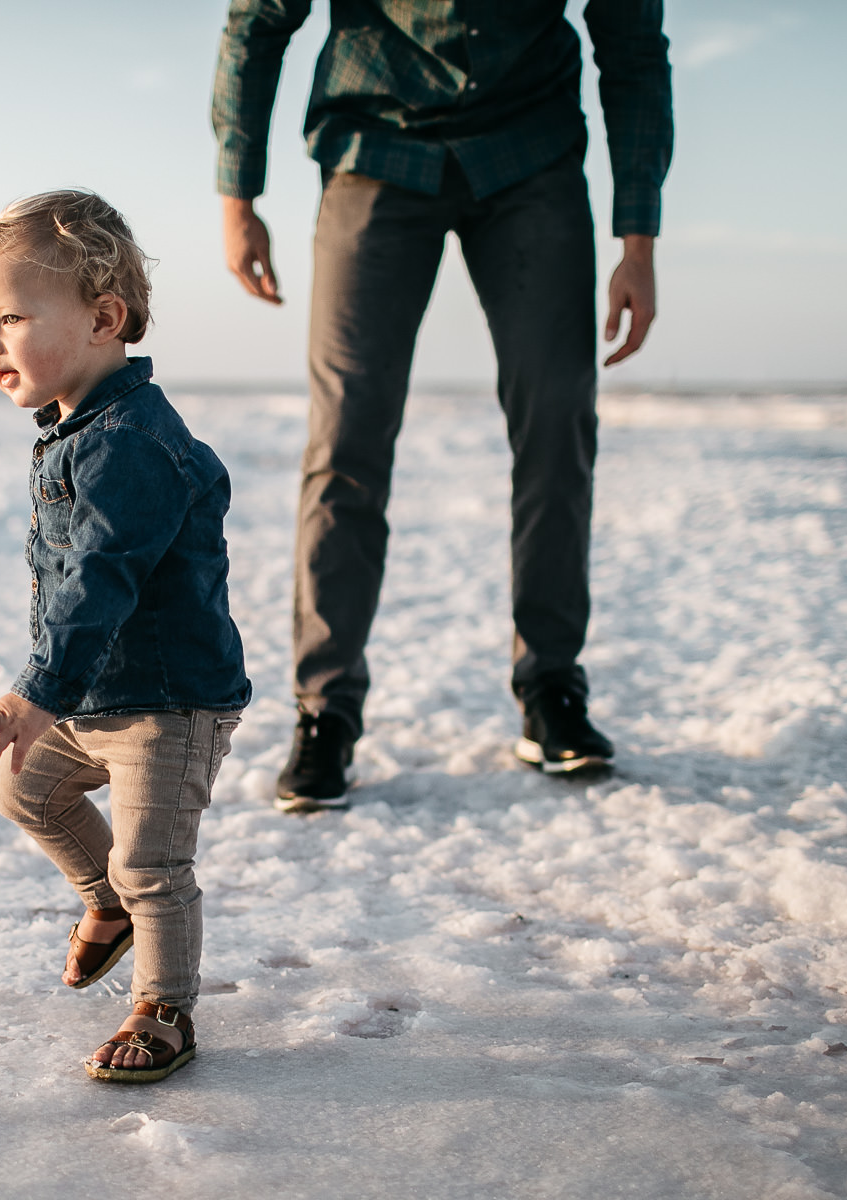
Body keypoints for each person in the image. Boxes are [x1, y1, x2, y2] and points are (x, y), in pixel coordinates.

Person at [211, 1, 673, 811]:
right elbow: (259, 17)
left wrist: (638, 239)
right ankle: (326, 710)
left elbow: (631, 42)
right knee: (347, 434)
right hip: (374, 144)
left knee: (559, 417)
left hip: (532, 153)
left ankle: (551, 688)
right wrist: (236, 195)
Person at [0, 190, 251, 1083]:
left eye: (10, 317)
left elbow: (102, 577)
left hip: (167, 700)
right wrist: (49, 693)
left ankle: (164, 1010)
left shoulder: (129, 442)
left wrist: (34, 692)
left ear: (103, 318)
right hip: (96, 689)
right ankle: (106, 906)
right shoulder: (72, 431)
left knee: (153, 859)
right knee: (21, 786)